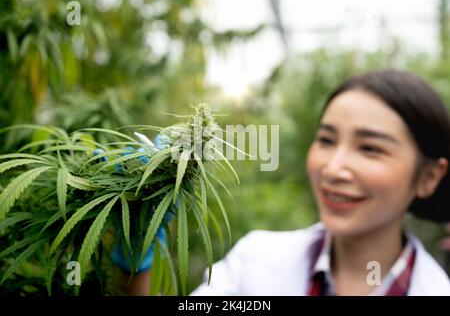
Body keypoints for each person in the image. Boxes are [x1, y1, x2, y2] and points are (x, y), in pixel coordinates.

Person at [119, 70, 450, 296]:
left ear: (429, 177)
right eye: (326, 140)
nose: (334, 169)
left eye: (370, 148)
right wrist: (132, 271)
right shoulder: (257, 262)